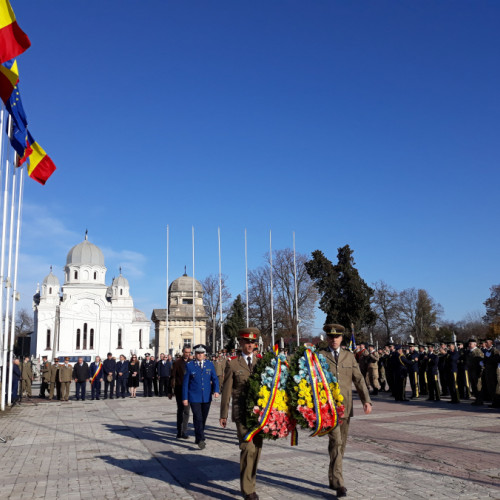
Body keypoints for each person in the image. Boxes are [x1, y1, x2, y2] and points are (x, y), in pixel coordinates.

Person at [319, 324, 372, 498]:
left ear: (342, 338)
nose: (334, 339)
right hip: (328, 408)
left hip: (346, 408)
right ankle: (340, 484)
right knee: (336, 442)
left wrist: (366, 400)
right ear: (327, 338)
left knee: (341, 444)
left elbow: (359, 379)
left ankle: (333, 477)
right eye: (330, 337)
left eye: (337, 337)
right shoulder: (320, 356)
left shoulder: (349, 357)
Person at [220, 328, 263, 500]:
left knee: (257, 450)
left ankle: (251, 482)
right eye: (246, 342)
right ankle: (247, 490)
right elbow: (227, 391)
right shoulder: (233, 363)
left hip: (260, 415)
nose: (249, 345)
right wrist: (223, 414)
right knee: (247, 448)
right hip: (242, 414)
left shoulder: (261, 363)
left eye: (252, 342)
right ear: (241, 343)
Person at [182, 344, 219, 449]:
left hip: (206, 396)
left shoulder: (209, 364)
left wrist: (216, 390)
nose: (200, 355)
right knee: (197, 417)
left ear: (205, 354)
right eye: (198, 353)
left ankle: (198, 436)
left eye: (202, 353)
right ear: (195, 354)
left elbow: (215, 378)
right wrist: (185, 398)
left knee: (203, 418)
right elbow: (185, 383)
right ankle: (201, 439)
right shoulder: (190, 365)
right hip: (194, 396)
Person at [170, 346, 191, 439]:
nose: (188, 354)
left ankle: (184, 431)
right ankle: (179, 430)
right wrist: (170, 391)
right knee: (180, 410)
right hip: (180, 389)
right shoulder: (177, 363)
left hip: (189, 390)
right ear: (183, 352)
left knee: (187, 411)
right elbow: (172, 376)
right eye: (186, 352)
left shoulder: (192, 362)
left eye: (189, 352)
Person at [465, 338, 484, 406]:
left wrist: (480, 372)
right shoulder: (470, 352)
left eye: (470, 344)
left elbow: (481, 363)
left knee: (478, 386)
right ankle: (477, 399)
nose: (469, 345)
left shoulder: (478, 351)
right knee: (473, 386)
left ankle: (480, 400)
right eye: (469, 344)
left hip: (476, 372)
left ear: (475, 344)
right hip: (471, 371)